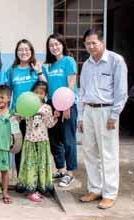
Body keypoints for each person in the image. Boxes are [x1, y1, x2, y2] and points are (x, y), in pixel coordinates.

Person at [78, 29, 128, 209]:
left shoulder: (116, 61)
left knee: (108, 153)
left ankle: (110, 193)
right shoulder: (87, 64)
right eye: (88, 44)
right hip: (89, 111)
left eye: (94, 43)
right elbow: (82, 91)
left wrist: (114, 116)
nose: (91, 47)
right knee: (90, 152)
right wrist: (81, 117)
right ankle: (95, 189)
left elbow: (122, 92)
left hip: (107, 112)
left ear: (102, 42)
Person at [0, 39, 46, 175]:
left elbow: (45, 87)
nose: (24, 52)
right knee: (18, 147)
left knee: (34, 147)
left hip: (36, 115)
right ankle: (21, 178)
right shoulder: (12, 70)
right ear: (16, 52)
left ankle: (34, 178)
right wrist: (8, 112)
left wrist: (39, 72)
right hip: (18, 115)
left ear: (31, 52)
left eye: (27, 49)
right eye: (20, 50)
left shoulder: (35, 69)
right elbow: (7, 92)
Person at [44, 33, 79, 187]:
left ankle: (70, 173)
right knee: (54, 139)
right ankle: (60, 169)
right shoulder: (50, 66)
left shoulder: (68, 61)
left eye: (57, 44)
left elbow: (71, 84)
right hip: (53, 104)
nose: (54, 47)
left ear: (63, 45)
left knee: (68, 139)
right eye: (51, 45)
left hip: (67, 102)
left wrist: (66, 105)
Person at [17, 81, 59, 202]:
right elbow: (22, 118)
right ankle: (30, 190)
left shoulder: (47, 108)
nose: (39, 95)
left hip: (43, 141)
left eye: (41, 93)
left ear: (45, 94)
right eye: (36, 92)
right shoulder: (28, 105)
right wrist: (19, 117)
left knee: (42, 165)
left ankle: (42, 188)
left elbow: (49, 124)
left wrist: (55, 117)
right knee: (31, 166)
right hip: (30, 141)